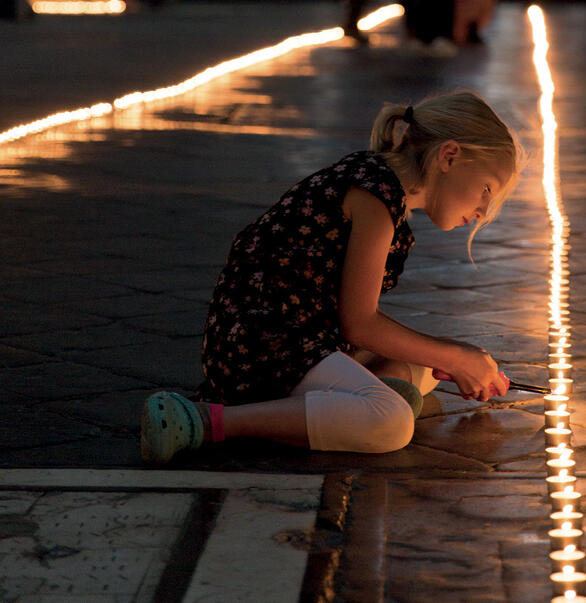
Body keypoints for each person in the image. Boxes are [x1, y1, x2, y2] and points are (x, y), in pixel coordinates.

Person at [140, 91, 523, 463]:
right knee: (391, 422)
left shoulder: (380, 186)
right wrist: (456, 356)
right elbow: (359, 325)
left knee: (427, 368)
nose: (483, 209)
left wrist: (455, 360)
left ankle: (336, 410)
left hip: (307, 332)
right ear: (449, 156)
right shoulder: (375, 197)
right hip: (263, 343)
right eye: (486, 188)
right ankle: (208, 421)